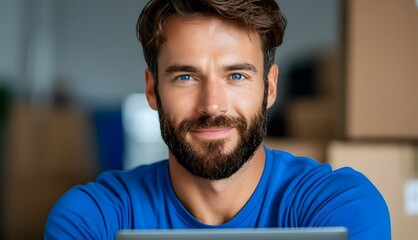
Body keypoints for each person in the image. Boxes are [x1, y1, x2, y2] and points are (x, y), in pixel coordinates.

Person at [44, 0, 391, 239]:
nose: (212, 106)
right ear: (152, 90)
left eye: (236, 75)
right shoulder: (94, 218)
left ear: (269, 87)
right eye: (186, 77)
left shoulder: (340, 208)